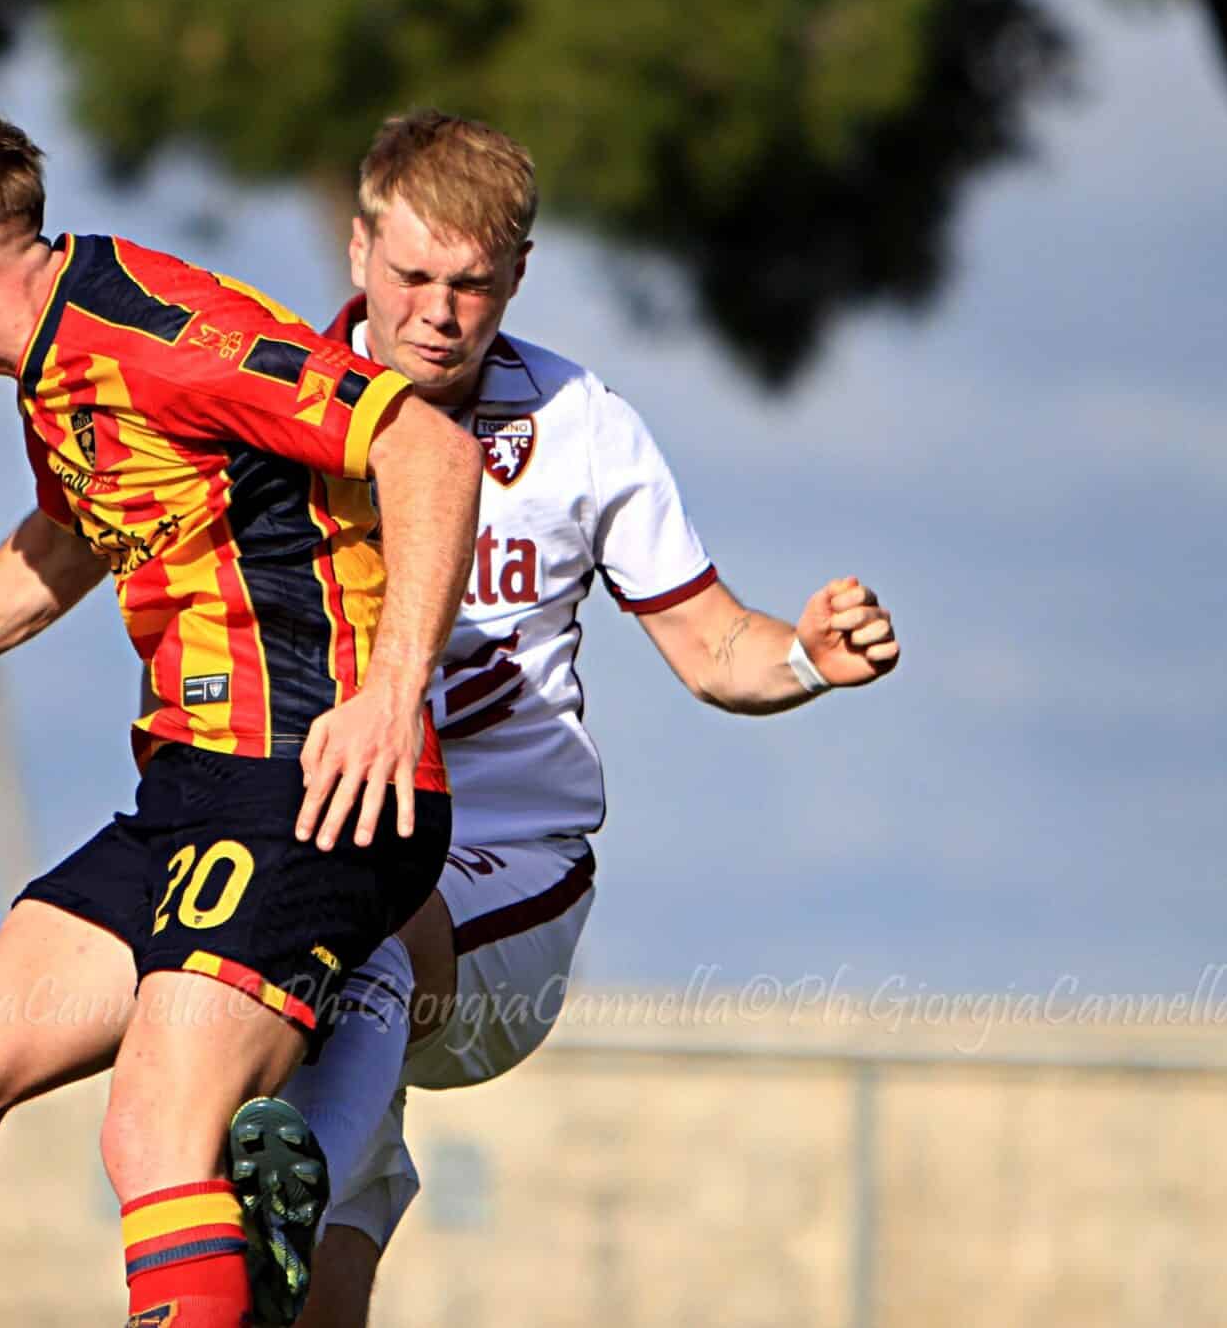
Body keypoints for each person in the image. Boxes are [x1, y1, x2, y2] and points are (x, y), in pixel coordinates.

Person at [0, 104, 484, 1328]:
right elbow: (69, 534)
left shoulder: (155, 333)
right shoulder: (53, 357)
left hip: (304, 785)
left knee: (156, 1127)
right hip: (192, 793)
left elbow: (428, 450)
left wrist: (393, 694)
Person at [273, 111, 902, 1328]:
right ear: (357, 250)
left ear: (516, 275)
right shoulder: (273, 400)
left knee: (354, 938)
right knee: (303, 1230)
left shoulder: (580, 422)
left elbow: (713, 645)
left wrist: (805, 657)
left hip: (502, 879)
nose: (438, 314)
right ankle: (301, 1198)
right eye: (411, 276)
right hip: (327, 846)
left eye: (470, 285)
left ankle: (275, 1198)